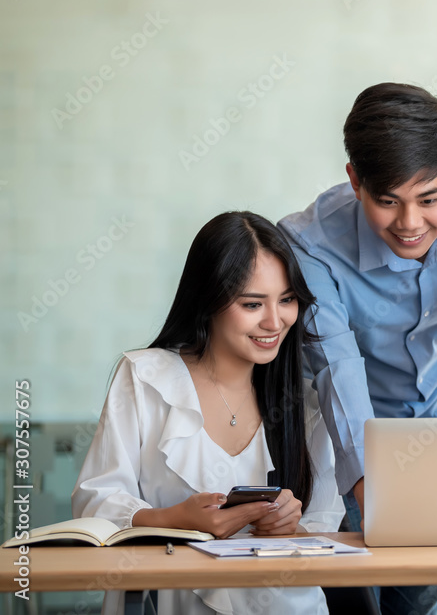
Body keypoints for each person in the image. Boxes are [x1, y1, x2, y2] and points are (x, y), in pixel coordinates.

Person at [279, 82, 437, 614]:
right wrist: (371, 492)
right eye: (387, 201)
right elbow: (335, 366)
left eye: (430, 199)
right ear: (355, 182)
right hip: (338, 447)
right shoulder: (309, 242)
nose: (410, 224)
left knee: (414, 606)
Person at [72, 212, 344, 615]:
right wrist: (171, 519)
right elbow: (94, 503)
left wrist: (291, 526)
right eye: (253, 304)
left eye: (287, 299)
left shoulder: (303, 400)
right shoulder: (146, 378)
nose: (275, 321)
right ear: (209, 300)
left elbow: (323, 528)